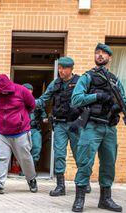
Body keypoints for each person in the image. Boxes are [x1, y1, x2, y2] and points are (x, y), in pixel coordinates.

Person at [70, 44, 126, 212]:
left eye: (104, 53)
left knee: (109, 163)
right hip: (91, 126)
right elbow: (76, 99)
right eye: (97, 52)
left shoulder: (115, 80)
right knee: (85, 162)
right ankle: (79, 198)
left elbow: (123, 100)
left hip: (109, 128)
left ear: (110, 58)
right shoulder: (88, 77)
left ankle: (105, 199)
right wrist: (97, 96)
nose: (100, 55)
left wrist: (118, 107)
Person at [35, 57, 91, 197]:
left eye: (64, 68)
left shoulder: (79, 82)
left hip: (75, 124)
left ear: (71, 69)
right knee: (59, 154)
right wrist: (30, 103)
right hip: (59, 124)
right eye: (59, 67)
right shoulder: (55, 83)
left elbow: (87, 104)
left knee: (79, 154)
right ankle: (60, 186)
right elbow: (44, 99)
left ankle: (84, 181)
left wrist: (81, 121)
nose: (60, 70)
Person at [0, 74, 37, 194]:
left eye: (5, 91)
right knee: (0, 158)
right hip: (1, 132)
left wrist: (20, 118)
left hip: (21, 131)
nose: (3, 93)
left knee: (25, 158)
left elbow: (32, 105)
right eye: (0, 91)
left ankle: (31, 179)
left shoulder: (22, 90)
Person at [22, 83, 48, 171]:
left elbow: (43, 114)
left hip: (35, 129)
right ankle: (25, 170)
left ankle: (32, 170)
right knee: (23, 150)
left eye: (29, 91)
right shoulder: (18, 102)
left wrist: (45, 118)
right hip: (22, 130)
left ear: (32, 91)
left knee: (36, 148)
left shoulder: (37, 103)